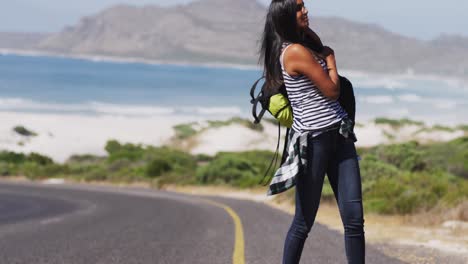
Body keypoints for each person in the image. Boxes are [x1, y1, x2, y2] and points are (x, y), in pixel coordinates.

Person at [259, 0, 366, 263]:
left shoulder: (304, 42)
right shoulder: (294, 51)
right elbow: (332, 91)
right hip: (314, 142)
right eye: (298, 8)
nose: (305, 10)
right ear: (285, 16)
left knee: (354, 221)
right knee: (303, 222)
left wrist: (315, 41)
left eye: (304, 5)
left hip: (340, 136)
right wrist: (330, 57)